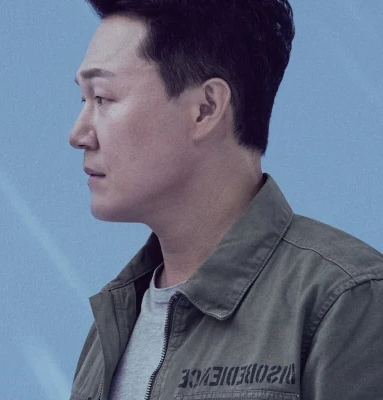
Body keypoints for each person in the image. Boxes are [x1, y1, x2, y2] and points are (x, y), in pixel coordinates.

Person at [68, 0, 383, 399]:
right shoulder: (114, 321)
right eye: (83, 100)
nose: (78, 134)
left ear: (206, 108)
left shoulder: (346, 300)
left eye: (102, 98)